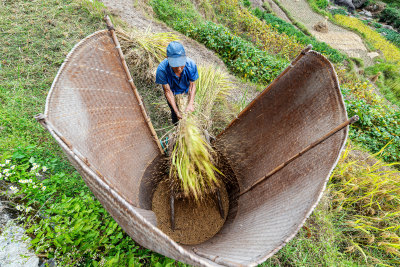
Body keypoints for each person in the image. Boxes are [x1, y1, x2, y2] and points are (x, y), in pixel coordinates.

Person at [155, 41, 199, 124]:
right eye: (175, 64)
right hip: (173, 93)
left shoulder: (191, 65)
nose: (179, 69)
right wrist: (176, 111)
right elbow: (167, 91)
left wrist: (191, 103)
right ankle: (176, 127)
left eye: (181, 64)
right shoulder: (162, 70)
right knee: (175, 115)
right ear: (167, 58)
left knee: (190, 113)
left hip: (186, 92)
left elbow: (192, 86)